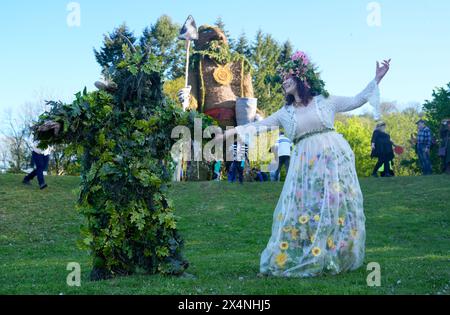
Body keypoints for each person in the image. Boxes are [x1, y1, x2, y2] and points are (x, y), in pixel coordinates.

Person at [220, 51, 390, 277]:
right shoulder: (285, 113)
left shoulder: (325, 101)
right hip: (304, 163)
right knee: (303, 204)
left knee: (334, 203)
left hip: (332, 159)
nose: (284, 82)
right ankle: (304, 252)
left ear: (301, 78)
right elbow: (259, 126)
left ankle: (336, 254)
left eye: (288, 76)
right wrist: (229, 133)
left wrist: (377, 78)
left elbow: (357, 100)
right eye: (282, 80)